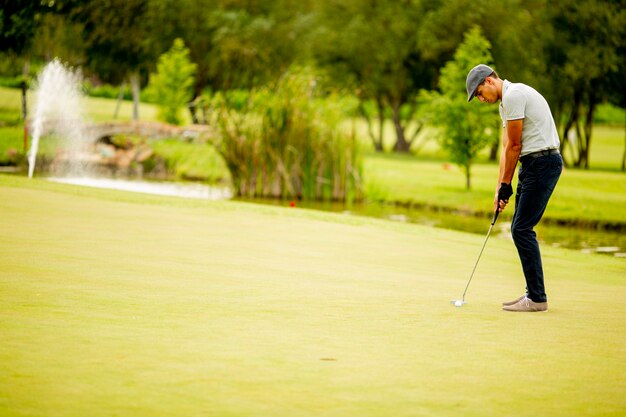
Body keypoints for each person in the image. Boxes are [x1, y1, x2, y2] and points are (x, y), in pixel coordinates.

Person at [466, 64, 563, 312]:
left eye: (478, 93)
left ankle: (537, 298)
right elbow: (506, 145)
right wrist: (500, 187)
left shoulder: (514, 96)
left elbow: (515, 146)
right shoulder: (505, 104)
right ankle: (533, 294)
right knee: (520, 228)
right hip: (532, 165)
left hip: (543, 162)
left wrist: (508, 184)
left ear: (489, 81)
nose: (480, 99)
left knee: (521, 228)